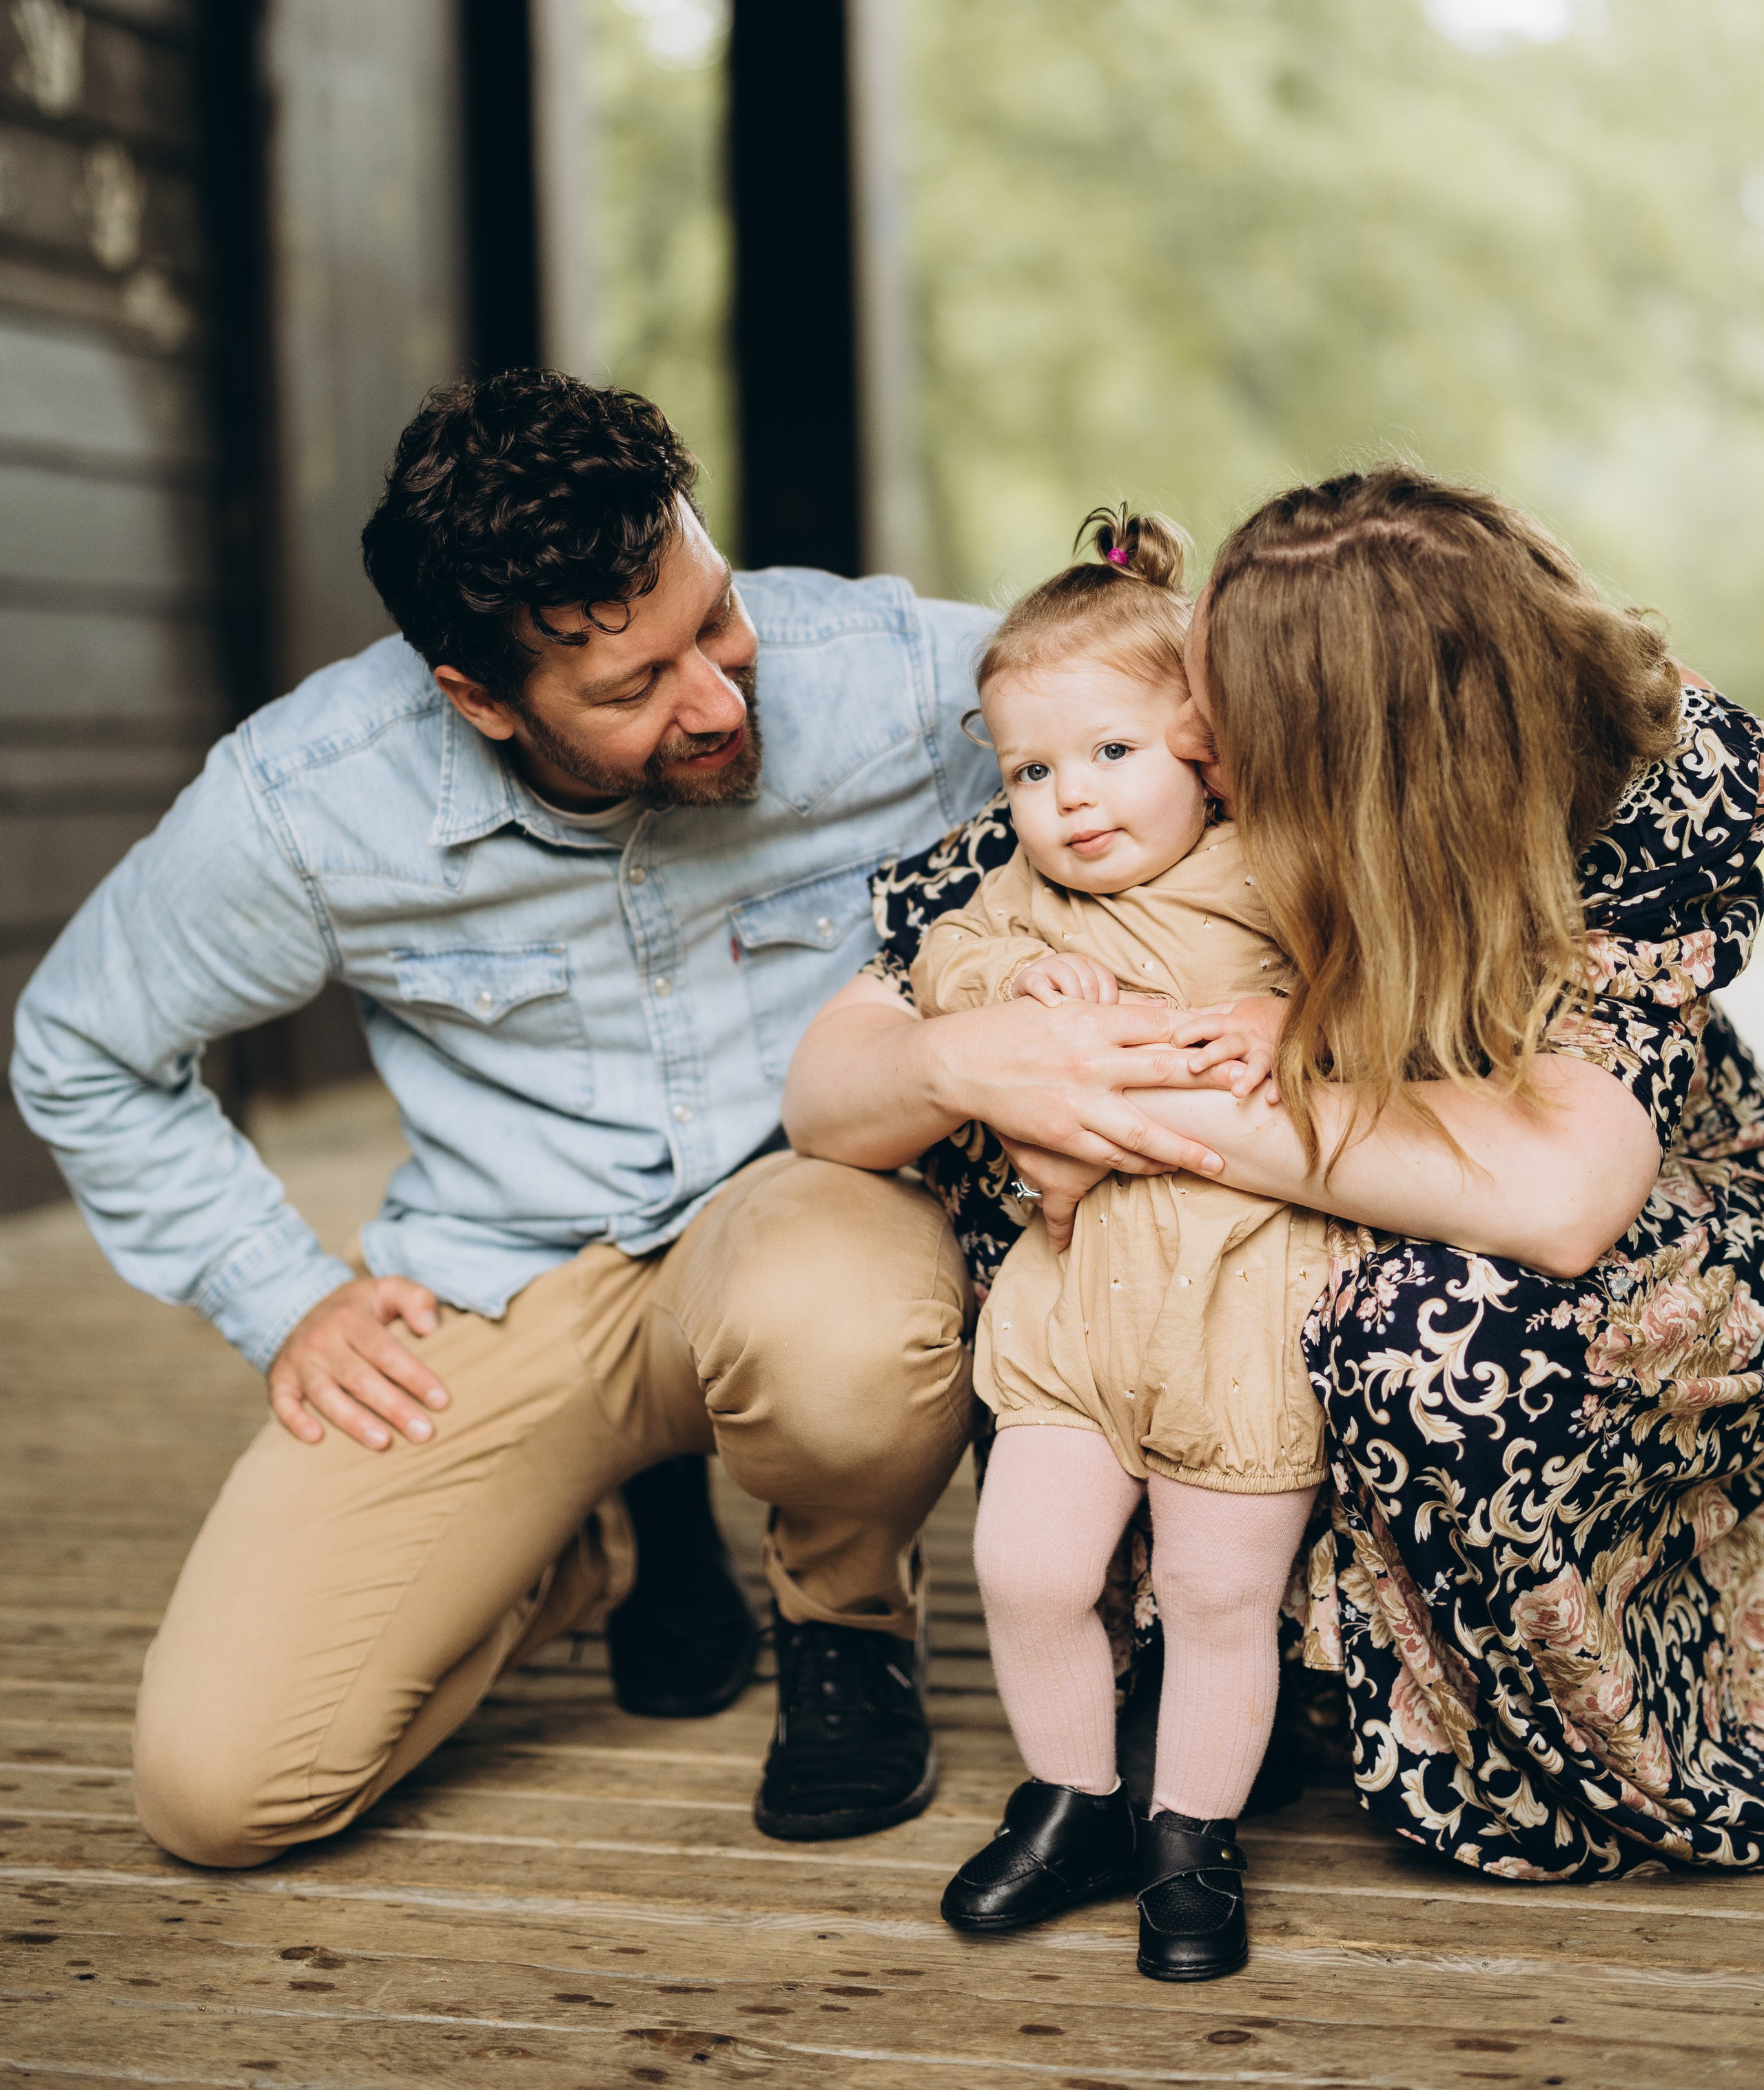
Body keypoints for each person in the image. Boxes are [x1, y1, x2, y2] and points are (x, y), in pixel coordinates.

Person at [10, 369, 1004, 1868]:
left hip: (803, 1223)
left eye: (716, 620)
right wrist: (278, 1295)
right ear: (476, 698)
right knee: (221, 1791)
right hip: (509, 1272)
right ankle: (590, 1547)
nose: (718, 697)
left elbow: (1187, 717)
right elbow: (81, 1045)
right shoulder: (307, 800)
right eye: (634, 688)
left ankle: (845, 1621)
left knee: (843, 1333)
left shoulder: (905, 680)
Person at [786, 465, 1764, 1883]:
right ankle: (1166, 1658)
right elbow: (834, 1082)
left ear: (1363, 753)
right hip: (1193, 1270)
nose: (1186, 745)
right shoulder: (1124, 783)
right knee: (1044, 1184)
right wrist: (970, 1063)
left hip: (1644, 1228)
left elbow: (1559, 1194)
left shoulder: (1647, 774)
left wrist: (1113, 1089)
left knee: (1431, 1321)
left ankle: (1478, 1713)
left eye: (1220, 722)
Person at [911, 511, 1323, 1983]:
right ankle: (1072, 1798)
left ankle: (1187, 1838)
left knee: (1218, 1597)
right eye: (1029, 772)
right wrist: (1016, 982)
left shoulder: (1272, 871)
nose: (1068, 798)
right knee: (1026, 1569)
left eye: (1109, 752)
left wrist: (1289, 1015)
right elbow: (941, 961)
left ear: (1206, 751)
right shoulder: (1024, 901)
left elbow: (1382, 986)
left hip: (1233, 1304)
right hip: (1072, 1305)